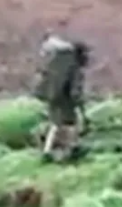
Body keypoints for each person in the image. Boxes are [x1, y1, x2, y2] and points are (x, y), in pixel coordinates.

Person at [33, 34, 91, 162]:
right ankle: (72, 147)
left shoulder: (59, 61)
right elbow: (75, 89)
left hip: (52, 95)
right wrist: (79, 103)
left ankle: (48, 149)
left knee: (56, 123)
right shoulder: (74, 67)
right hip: (64, 98)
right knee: (70, 123)